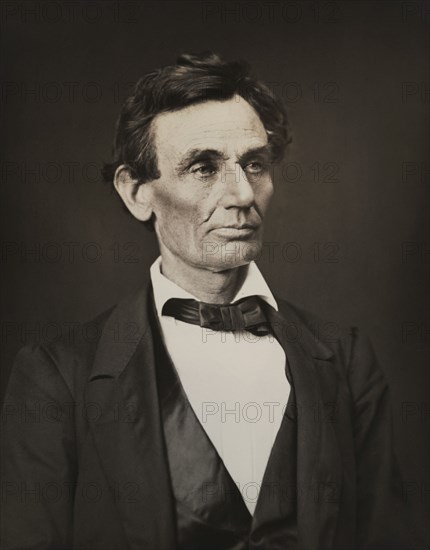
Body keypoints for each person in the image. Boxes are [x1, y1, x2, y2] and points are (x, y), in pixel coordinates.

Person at [1, 52, 416, 550]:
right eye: (203, 167)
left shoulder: (346, 360)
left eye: (254, 164)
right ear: (136, 192)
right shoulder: (57, 379)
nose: (241, 193)